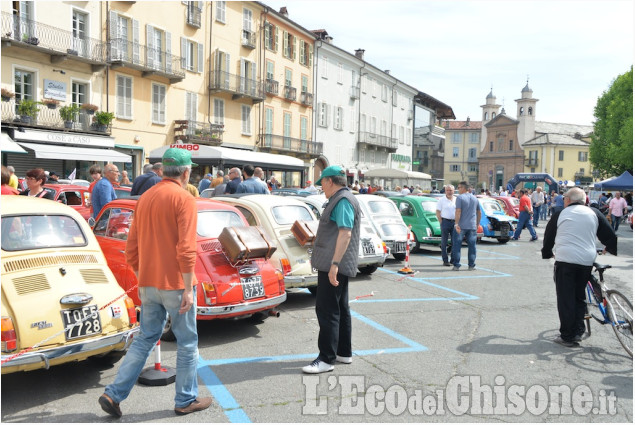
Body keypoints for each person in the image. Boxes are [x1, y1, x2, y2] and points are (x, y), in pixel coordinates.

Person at [98, 148, 212, 418]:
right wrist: (187, 289)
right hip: (175, 282)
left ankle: (113, 393)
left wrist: (141, 277)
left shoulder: (145, 197)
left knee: (145, 338)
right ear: (186, 173)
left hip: (149, 281)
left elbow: (131, 248)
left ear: (162, 171)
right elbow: (186, 248)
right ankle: (185, 399)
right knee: (186, 342)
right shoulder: (184, 198)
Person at [541, 187, 617, 347]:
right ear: (585, 200)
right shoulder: (594, 213)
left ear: (568, 200)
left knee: (565, 298)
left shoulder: (560, 214)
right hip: (586, 260)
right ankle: (578, 331)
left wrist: (547, 252)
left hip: (566, 259)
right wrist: (608, 247)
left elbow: (549, 236)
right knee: (579, 296)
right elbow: (609, 234)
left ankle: (567, 336)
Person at [303, 166, 360, 374]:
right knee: (340, 308)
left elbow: (345, 233)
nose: (321, 189)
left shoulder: (342, 200)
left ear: (329, 181)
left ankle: (326, 358)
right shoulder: (345, 198)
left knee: (327, 310)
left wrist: (334, 264)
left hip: (334, 264)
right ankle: (343, 353)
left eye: (322, 184)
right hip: (337, 263)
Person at [452, 181, 480, 271]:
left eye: (459, 187)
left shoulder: (460, 198)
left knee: (457, 245)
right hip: (472, 226)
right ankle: (471, 265)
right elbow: (479, 212)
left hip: (461, 225)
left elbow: (458, 211)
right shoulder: (475, 198)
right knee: (472, 246)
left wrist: (456, 224)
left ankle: (456, 265)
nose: (458, 189)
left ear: (464, 188)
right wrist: (477, 223)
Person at [435, 184, 456, 266]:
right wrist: (441, 222)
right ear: (445, 191)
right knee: (444, 242)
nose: (449, 192)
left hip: (454, 222)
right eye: (447, 190)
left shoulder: (456, 199)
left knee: (455, 242)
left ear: (453, 191)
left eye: (451, 190)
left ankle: (453, 260)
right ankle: (445, 260)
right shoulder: (441, 200)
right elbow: (438, 212)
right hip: (445, 222)